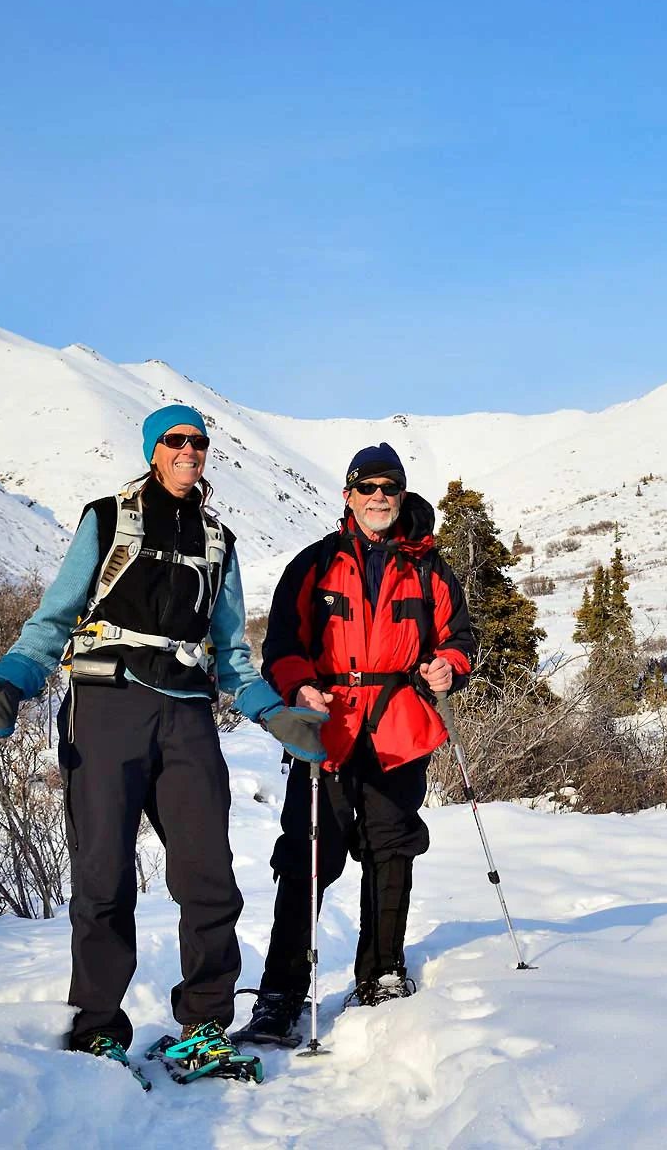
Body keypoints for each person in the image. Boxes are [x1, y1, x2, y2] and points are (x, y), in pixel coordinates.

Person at [0, 404, 327, 1082]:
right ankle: (99, 1030)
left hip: (187, 710)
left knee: (210, 878)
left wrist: (275, 715)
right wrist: (12, 680)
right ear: (153, 448)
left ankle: (203, 1028)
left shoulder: (218, 538)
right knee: (103, 877)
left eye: (199, 440)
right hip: (106, 703)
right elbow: (57, 613)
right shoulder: (107, 518)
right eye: (175, 440)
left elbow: (232, 654)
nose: (189, 449)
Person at [233, 443, 476, 1045]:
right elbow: (283, 647)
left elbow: (460, 640)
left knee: (391, 850)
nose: (378, 498)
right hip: (329, 727)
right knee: (306, 860)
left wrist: (448, 665)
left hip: (398, 724)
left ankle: (383, 975)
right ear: (348, 495)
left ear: (401, 496)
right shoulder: (314, 565)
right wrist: (299, 688)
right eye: (367, 488)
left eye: (389, 488)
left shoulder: (429, 569)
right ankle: (281, 994)